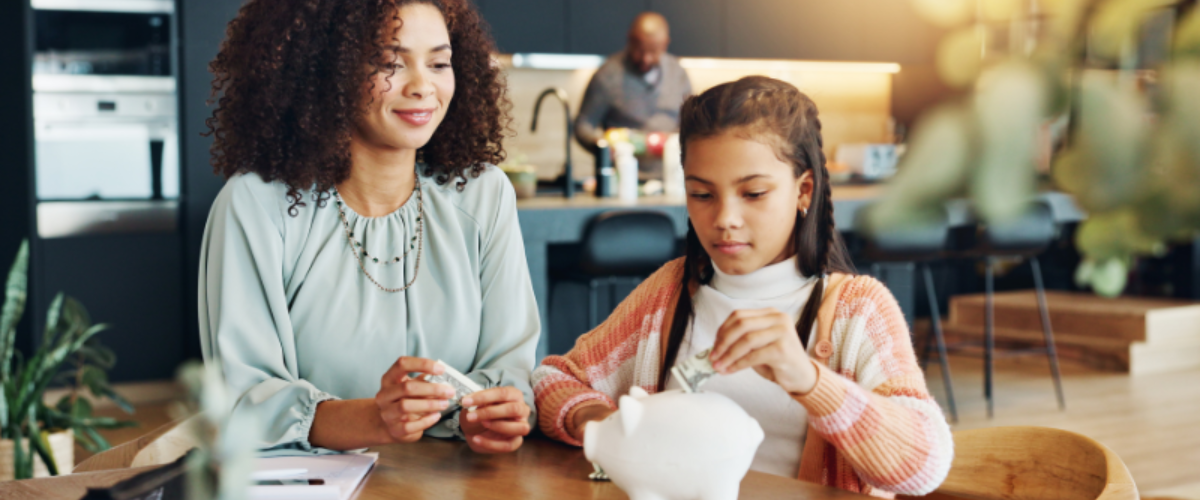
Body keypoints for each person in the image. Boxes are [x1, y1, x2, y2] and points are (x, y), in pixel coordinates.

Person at [534, 76, 953, 497]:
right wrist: (601, 425)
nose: (724, 219)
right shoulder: (669, 294)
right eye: (702, 194)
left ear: (804, 190)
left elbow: (924, 466)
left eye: (753, 193)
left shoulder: (857, 311)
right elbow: (556, 378)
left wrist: (810, 381)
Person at [199, 0, 538, 455]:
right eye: (389, 63)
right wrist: (375, 419)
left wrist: (496, 413)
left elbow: (511, 370)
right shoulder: (256, 206)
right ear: (326, 70)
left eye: (439, 63)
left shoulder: (483, 194)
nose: (423, 87)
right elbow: (241, 401)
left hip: (455, 480)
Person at [574, 12, 693, 178]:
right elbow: (583, 125)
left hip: (671, 177)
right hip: (621, 176)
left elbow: (691, 123)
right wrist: (603, 146)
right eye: (639, 50)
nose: (646, 58)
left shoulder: (678, 73)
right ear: (629, 40)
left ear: (665, 44)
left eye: (653, 51)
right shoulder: (607, 75)